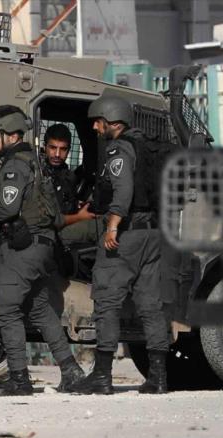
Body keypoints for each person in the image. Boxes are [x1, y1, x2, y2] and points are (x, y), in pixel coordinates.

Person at [0, 105, 85, 396]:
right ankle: (71, 371)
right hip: (41, 247)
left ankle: (19, 379)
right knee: (40, 310)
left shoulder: (16, 165)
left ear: (12, 135)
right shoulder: (32, 162)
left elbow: (7, 207)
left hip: (24, 249)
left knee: (5, 310)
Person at [70, 95, 170, 395]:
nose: (96, 128)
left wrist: (112, 225)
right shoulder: (149, 149)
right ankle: (159, 377)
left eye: (98, 122)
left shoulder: (119, 149)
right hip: (153, 235)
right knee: (151, 306)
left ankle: (102, 376)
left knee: (107, 301)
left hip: (126, 234)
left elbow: (123, 190)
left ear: (113, 121)